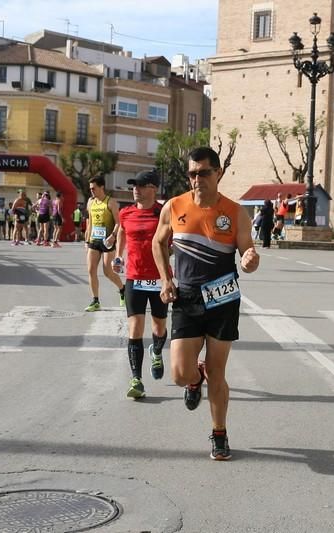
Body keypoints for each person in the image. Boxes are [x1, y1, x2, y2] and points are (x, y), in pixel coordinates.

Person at [152, 146, 260, 461]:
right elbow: (158, 242)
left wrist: (251, 260)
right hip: (186, 297)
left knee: (218, 370)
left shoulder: (235, 211)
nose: (197, 179)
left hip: (223, 297)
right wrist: (165, 278)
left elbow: (247, 254)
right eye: (192, 173)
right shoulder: (174, 207)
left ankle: (219, 433)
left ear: (218, 173)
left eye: (203, 173)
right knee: (179, 374)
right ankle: (194, 378)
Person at [114, 169, 170, 399]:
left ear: (153, 188)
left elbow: (174, 238)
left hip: (159, 279)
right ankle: (136, 379)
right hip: (134, 278)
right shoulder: (126, 213)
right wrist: (119, 256)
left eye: (140, 185)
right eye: (133, 185)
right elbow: (121, 234)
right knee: (135, 329)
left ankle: (156, 351)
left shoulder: (163, 213)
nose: (135, 189)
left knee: (159, 327)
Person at [84, 176, 125, 311]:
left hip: (108, 241)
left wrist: (113, 236)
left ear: (102, 187)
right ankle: (95, 301)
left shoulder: (111, 202)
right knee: (91, 270)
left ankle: (122, 289)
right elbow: (89, 223)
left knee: (107, 272)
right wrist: (86, 240)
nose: (91, 191)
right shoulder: (90, 203)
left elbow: (119, 222)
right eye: (90, 189)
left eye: (93, 188)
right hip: (94, 240)